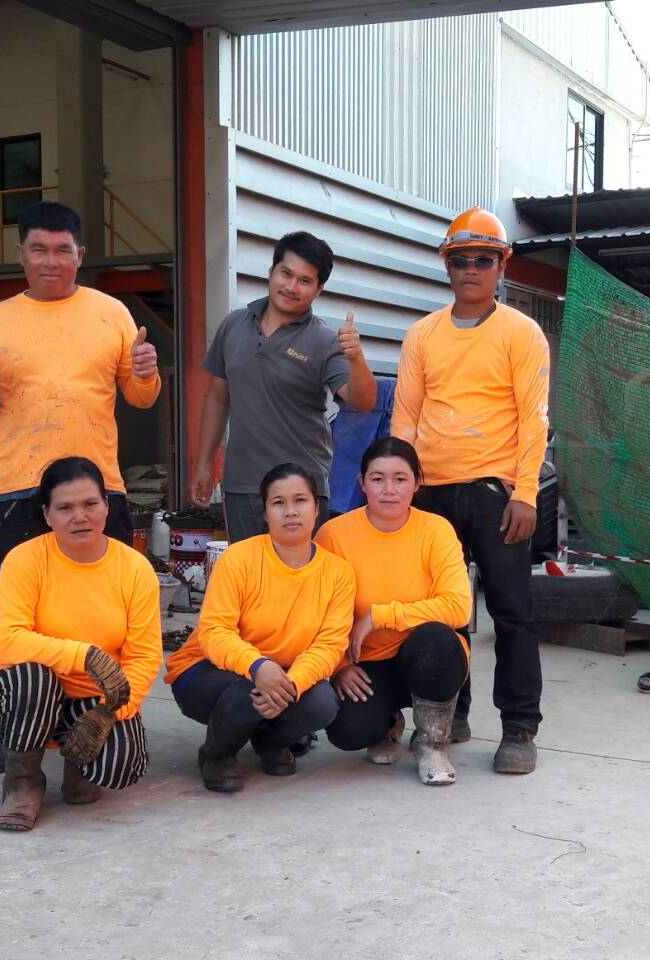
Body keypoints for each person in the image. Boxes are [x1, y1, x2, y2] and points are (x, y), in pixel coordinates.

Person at [0, 201, 160, 775]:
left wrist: (146, 371)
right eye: (39, 249)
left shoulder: (111, 313)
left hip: (98, 486)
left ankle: (108, 713)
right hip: (18, 486)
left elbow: (140, 396)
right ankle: (8, 729)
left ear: (80, 254)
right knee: (12, 613)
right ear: (20, 253)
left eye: (62, 250)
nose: (51, 260)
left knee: (106, 605)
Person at [392, 206, 550, 776]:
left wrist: (526, 493)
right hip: (431, 496)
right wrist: (399, 488)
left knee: (512, 615)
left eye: (484, 259)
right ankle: (449, 711)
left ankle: (519, 729)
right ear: (447, 266)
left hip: (495, 495)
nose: (472, 269)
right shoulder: (422, 335)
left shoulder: (521, 333)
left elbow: (533, 418)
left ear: (502, 265)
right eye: (461, 259)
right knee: (442, 613)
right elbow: (406, 417)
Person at [0, 457, 162, 832]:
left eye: (90, 504)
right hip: (24, 692)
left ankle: (79, 764)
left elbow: (144, 657)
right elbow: (6, 640)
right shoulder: (25, 561)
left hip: (96, 698)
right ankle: (23, 782)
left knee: (121, 765)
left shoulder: (134, 568)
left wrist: (112, 712)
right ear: (47, 515)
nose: (80, 517)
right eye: (65, 508)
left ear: (106, 506)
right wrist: (84, 655)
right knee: (32, 678)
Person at [164, 463, 355, 793]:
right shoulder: (239, 559)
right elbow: (214, 632)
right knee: (247, 689)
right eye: (278, 502)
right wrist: (258, 667)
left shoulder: (338, 573)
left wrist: (292, 684)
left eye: (300, 500)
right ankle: (217, 754)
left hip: (283, 676)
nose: (290, 511)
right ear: (266, 513)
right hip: (208, 673)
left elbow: (330, 645)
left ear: (316, 508)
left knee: (322, 702)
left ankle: (270, 741)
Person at [189, 231, 378, 541]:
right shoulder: (234, 325)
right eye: (286, 273)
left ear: (319, 289)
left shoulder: (324, 341)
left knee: (301, 573)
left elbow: (363, 401)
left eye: (304, 281)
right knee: (248, 572)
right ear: (271, 271)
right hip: (242, 487)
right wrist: (204, 463)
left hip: (300, 492)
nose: (291, 287)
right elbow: (218, 398)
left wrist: (356, 358)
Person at [317, 437, 471, 785]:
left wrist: (379, 615)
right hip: (368, 660)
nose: (389, 490)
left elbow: (459, 607)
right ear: (362, 483)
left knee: (438, 639)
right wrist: (339, 666)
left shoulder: (435, 530)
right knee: (347, 731)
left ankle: (432, 744)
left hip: (427, 655)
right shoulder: (334, 535)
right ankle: (388, 725)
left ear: (417, 483)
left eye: (400, 479)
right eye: (378, 479)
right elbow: (317, 612)